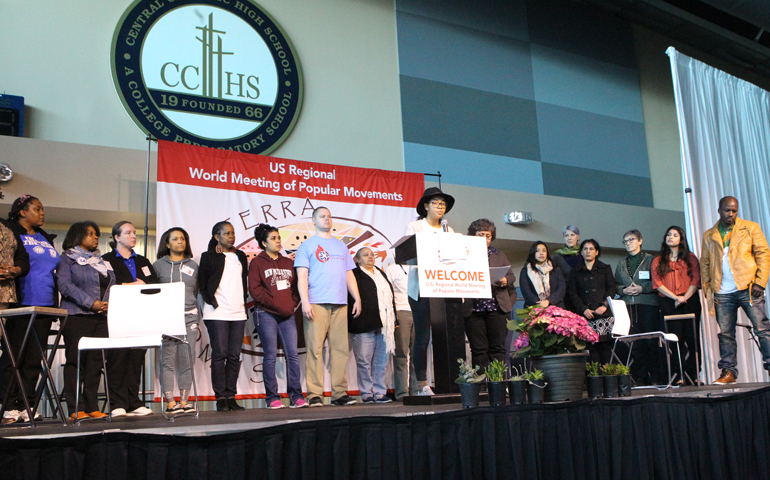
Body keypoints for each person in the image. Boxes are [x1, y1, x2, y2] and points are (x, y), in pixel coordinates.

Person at [295, 206, 361, 407]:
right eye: (322, 216)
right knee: (314, 349)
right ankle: (314, 394)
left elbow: (349, 273)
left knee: (340, 349)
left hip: (340, 303)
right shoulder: (307, 246)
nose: (327, 219)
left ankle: (339, 394)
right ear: (313, 220)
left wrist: (357, 298)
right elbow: (302, 276)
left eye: (329, 216)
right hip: (316, 302)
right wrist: (305, 301)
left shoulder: (341, 246)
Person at [700, 196, 770, 385]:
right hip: (722, 292)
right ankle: (728, 372)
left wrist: (760, 282)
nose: (731, 214)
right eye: (727, 210)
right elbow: (705, 263)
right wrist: (709, 292)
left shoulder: (750, 227)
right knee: (726, 334)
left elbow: (763, 254)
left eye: (734, 211)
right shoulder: (709, 235)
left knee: (762, 329)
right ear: (719, 210)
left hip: (748, 288)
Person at [1, 195, 55, 423]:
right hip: (20, 302)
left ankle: (26, 404)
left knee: (34, 358)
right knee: (14, 356)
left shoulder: (43, 236)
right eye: (37, 209)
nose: (42, 213)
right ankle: (7, 404)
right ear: (22, 211)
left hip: (45, 305)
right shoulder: (10, 230)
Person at [56, 222, 113, 420]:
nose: (95, 237)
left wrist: (105, 304)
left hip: (101, 317)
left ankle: (92, 406)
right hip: (76, 315)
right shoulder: (67, 258)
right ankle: (75, 408)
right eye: (90, 234)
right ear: (77, 236)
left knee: (95, 362)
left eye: (96, 234)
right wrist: (91, 303)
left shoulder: (102, 261)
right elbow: (64, 285)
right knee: (75, 361)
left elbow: (110, 285)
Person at [102, 221, 159, 417]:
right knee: (118, 359)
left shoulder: (142, 261)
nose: (133, 236)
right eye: (128, 233)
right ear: (117, 237)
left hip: (141, 315)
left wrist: (142, 285)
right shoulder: (106, 260)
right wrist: (128, 285)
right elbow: (105, 285)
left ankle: (133, 401)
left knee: (136, 359)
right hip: (118, 314)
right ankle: (117, 403)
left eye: (134, 233)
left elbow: (154, 284)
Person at [248, 223, 306, 410]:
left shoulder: (288, 262)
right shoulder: (257, 263)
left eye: (279, 237)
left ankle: (296, 396)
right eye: (273, 238)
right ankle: (272, 398)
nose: (278, 241)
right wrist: (278, 305)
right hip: (266, 314)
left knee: (293, 355)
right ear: (263, 243)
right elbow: (255, 291)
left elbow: (296, 288)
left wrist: (290, 304)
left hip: (287, 315)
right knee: (271, 356)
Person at [404, 187, 455, 396]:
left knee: (445, 336)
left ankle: (448, 380)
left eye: (442, 204)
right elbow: (409, 254)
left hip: (445, 289)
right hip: (422, 289)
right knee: (423, 336)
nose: (439, 207)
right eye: (435, 203)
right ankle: (421, 383)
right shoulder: (415, 227)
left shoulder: (449, 231)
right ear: (426, 206)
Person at [199, 221, 249, 411]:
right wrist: (211, 301)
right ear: (216, 237)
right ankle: (220, 397)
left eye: (233, 233)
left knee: (234, 356)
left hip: (238, 312)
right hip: (217, 312)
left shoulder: (240, 256)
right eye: (226, 233)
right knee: (219, 355)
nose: (231, 236)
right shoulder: (209, 256)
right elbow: (202, 284)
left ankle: (231, 396)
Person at [153, 227, 199, 414]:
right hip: (167, 318)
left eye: (182, 239)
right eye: (175, 239)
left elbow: (195, 291)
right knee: (168, 361)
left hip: (189, 317)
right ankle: (170, 402)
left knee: (187, 360)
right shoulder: (158, 265)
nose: (180, 242)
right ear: (167, 243)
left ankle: (185, 401)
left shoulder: (194, 265)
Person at [461, 219, 516, 374]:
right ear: (472, 236)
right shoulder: (464, 255)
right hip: (473, 308)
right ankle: (482, 384)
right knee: (478, 349)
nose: (484, 239)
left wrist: (505, 280)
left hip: (497, 306)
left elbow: (511, 277)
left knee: (498, 348)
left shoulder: (499, 254)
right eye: (480, 235)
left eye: (487, 235)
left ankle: (499, 382)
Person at [650, 226, 702, 385]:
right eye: (668, 234)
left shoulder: (691, 258)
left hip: (689, 300)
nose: (670, 237)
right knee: (674, 339)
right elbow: (657, 283)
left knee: (692, 339)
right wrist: (675, 297)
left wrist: (684, 297)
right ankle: (678, 373)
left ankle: (693, 374)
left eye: (675, 235)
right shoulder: (658, 260)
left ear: (681, 239)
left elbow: (696, 279)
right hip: (669, 302)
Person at [615, 229, 664, 386]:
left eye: (631, 240)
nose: (628, 243)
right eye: (625, 241)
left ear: (640, 241)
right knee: (635, 343)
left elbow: (658, 282)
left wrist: (642, 288)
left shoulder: (651, 260)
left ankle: (655, 375)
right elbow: (615, 285)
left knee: (651, 342)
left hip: (648, 305)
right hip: (629, 306)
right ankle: (640, 376)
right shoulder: (622, 263)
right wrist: (623, 290)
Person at [348, 247, 396, 404]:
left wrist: (394, 319)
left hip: (383, 326)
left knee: (381, 362)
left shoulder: (380, 273)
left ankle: (380, 392)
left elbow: (390, 297)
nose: (370, 257)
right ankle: (366, 393)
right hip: (363, 323)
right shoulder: (354, 274)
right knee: (364, 361)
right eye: (365, 255)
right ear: (357, 259)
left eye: (371, 254)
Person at [568, 239, 616, 364]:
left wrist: (605, 305)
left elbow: (612, 288)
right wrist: (583, 309)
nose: (588, 251)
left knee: (606, 348)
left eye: (591, 249)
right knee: (590, 349)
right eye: (585, 249)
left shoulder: (605, 268)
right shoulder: (575, 271)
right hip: (585, 314)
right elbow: (573, 293)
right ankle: (594, 380)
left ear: (597, 252)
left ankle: (607, 378)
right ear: (581, 252)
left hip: (603, 313)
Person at [385, 263, 416, 400]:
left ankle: (417, 391)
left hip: (419, 310)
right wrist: (392, 317)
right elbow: (387, 293)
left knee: (418, 354)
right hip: (401, 311)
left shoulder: (420, 266)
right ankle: (402, 393)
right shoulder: (393, 269)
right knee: (401, 354)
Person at [520, 241, 566, 309]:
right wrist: (540, 303)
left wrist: (548, 301)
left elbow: (561, 288)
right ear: (533, 253)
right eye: (537, 251)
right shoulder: (525, 271)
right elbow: (526, 291)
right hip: (534, 308)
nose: (541, 253)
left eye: (544, 250)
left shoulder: (555, 269)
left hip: (555, 307)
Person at [552, 225, 582, 311]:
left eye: (572, 235)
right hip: (565, 298)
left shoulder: (584, 254)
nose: (569, 238)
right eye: (566, 235)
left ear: (578, 237)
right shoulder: (557, 256)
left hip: (582, 298)